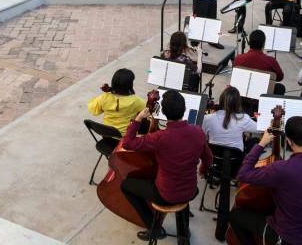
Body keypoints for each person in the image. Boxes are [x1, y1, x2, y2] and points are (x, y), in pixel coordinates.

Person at [229, 114, 302, 245]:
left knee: (235, 216)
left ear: (288, 140)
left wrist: (261, 144)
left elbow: (243, 174)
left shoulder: (281, 169)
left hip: (287, 239)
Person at [120, 90, 213, 241]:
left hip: (166, 194)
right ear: (184, 109)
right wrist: (203, 169)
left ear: (163, 112)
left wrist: (138, 118)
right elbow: (208, 158)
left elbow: (128, 143)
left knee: (126, 185)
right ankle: (183, 234)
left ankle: (154, 227)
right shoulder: (198, 132)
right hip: (191, 190)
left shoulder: (159, 138)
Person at [87, 68, 146, 134]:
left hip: (107, 134)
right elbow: (148, 110)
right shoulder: (135, 101)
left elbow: (93, 109)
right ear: (130, 85)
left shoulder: (105, 97)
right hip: (126, 138)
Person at [201, 86, 257, 151]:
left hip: (213, 158)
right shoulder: (243, 118)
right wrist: (260, 119)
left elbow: (201, 138)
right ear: (238, 103)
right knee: (255, 140)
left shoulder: (207, 118)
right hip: (236, 160)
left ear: (221, 99)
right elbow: (261, 130)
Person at [234, 30, 285, 95]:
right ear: (263, 44)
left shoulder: (238, 58)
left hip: (242, 94)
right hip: (262, 95)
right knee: (280, 88)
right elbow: (280, 77)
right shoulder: (271, 61)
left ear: (249, 43)